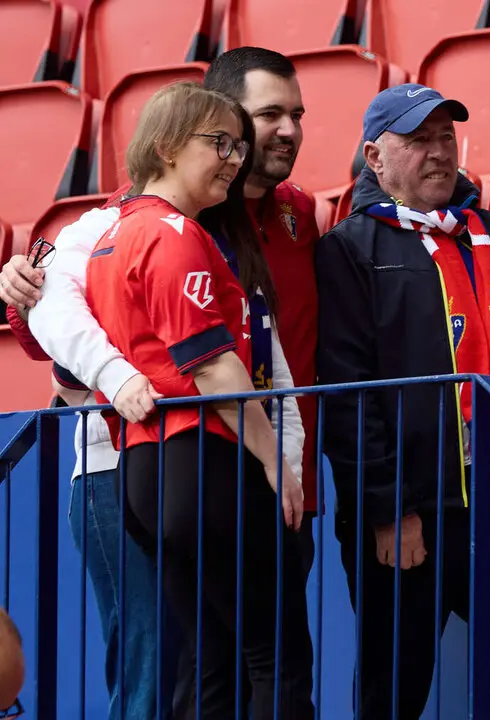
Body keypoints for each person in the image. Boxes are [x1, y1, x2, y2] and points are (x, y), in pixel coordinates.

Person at [314, 84, 490, 719]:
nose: (437, 153)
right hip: (410, 514)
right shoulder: (349, 248)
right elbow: (349, 393)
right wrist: (389, 509)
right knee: (394, 688)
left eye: (445, 138)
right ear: (375, 156)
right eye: (417, 140)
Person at [83, 81, 313, 719]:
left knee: (211, 657)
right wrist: (275, 461)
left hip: (146, 475)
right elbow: (212, 368)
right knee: (276, 660)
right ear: (164, 147)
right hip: (205, 465)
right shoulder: (173, 233)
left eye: (240, 146)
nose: (235, 159)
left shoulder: (112, 237)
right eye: (219, 143)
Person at [203, 47, 322, 569]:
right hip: (204, 480)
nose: (290, 130)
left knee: (283, 650)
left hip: (292, 484)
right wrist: (22, 283)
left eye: (296, 115)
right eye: (270, 114)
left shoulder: (300, 212)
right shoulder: (165, 211)